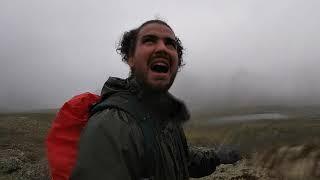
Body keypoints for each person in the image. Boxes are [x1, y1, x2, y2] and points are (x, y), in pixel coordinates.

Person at [70, 19, 241, 180]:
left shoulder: (166, 117)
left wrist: (217, 156)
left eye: (170, 44)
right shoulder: (111, 124)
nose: (162, 48)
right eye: (149, 41)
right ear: (130, 58)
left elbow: (182, 159)